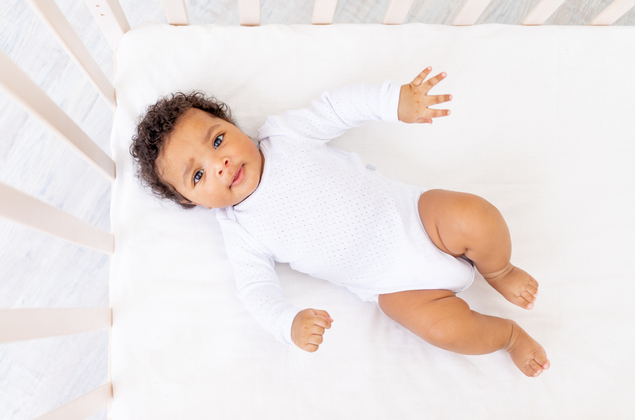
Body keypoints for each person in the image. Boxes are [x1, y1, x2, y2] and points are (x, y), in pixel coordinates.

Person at [130, 67, 550, 377]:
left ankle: (501, 269)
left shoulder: (283, 137)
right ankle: (508, 336)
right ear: (193, 202)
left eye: (217, 139)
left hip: (417, 219)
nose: (219, 165)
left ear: (234, 126)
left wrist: (392, 101)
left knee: (476, 216)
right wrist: (287, 323)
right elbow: (255, 289)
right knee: (443, 330)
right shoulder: (240, 230)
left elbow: (335, 109)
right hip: (397, 287)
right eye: (198, 175)